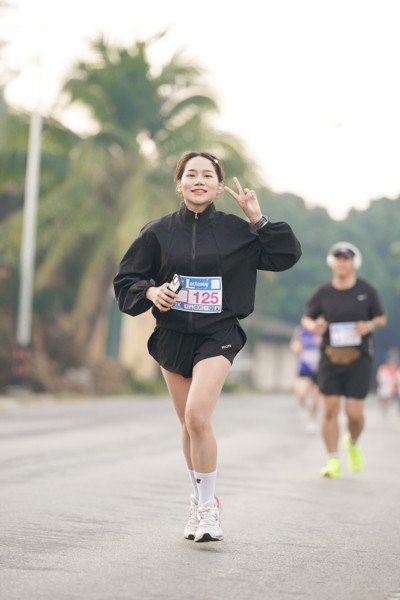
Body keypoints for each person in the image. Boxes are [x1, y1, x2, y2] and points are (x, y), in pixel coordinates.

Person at [113, 151, 301, 542]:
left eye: (208, 176)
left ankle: (209, 512)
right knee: (187, 424)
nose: (199, 181)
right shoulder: (157, 232)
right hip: (172, 335)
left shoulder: (238, 231)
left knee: (198, 416)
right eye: (191, 174)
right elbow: (127, 279)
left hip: (219, 332)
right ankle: (201, 501)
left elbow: (285, 255)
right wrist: (151, 292)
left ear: (219, 186)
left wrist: (258, 219)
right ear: (178, 184)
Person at [301, 241, 387, 479]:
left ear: (353, 263)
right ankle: (333, 460)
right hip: (330, 358)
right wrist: (314, 326)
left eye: (346, 259)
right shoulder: (323, 292)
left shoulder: (366, 291)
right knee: (329, 410)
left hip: (359, 358)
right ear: (332, 263)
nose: (341, 263)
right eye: (338, 259)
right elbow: (306, 318)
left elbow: (381, 319)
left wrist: (368, 326)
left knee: (354, 414)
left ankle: (353, 443)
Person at [289, 324, 321, 432]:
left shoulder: (322, 330)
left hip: (319, 369)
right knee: (301, 394)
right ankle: (304, 408)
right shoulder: (300, 331)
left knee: (315, 399)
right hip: (304, 368)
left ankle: (311, 420)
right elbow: (293, 345)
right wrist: (296, 347)